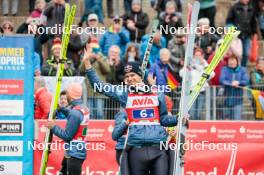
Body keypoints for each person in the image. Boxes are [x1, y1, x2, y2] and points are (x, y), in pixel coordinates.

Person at [83, 46, 186, 174]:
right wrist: (87, 63)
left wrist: (178, 118)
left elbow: (164, 119)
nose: (130, 78)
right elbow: (99, 87)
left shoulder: (156, 93)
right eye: (127, 76)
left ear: (140, 76)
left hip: (158, 147)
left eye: (133, 75)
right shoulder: (125, 93)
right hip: (136, 147)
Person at [45, 82, 89, 175]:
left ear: (71, 95)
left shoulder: (75, 112)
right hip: (76, 151)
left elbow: (67, 136)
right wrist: (61, 108)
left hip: (74, 153)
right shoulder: (83, 108)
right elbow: (72, 113)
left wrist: (53, 126)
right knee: (63, 172)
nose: (67, 95)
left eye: (67, 93)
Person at [180, 47, 215, 120]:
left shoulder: (205, 65)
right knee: (192, 112)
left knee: (198, 112)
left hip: (201, 92)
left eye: (199, 55)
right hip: (191, 92)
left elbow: (211, 75)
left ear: (202, 56)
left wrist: (204, 64)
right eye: (196, 55)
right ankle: (190, 128)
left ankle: (196, 128)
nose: (198, 57)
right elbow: (181, 73)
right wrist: (188, 66)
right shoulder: (190, 64)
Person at [226, 0, 257, 67]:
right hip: (236, 36)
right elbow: (229, 21)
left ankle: (242, 68)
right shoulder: (234, 7)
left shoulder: (252, 7)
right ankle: (235, 67)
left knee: (246, 54)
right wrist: (231, 29)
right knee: (236, 54)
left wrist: (255, 32)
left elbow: (253, 21)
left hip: (247, 34)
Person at [220, 54, 249, 120]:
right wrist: (231, 83)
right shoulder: (224, 69)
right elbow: (222, 80)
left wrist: (238, 82)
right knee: (226, 121)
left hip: (238, 100)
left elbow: (246, 80)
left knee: (236, 120)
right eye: (230, 60)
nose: (231, 62)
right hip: (226, 99)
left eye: (233, 60)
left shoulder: (242, 70)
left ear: (237, 61)